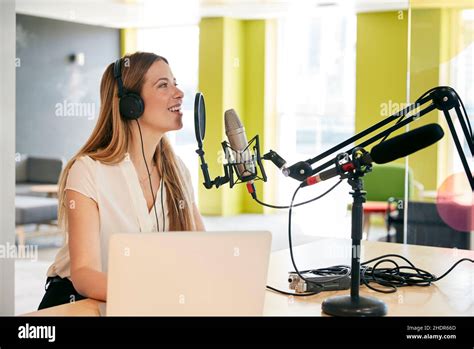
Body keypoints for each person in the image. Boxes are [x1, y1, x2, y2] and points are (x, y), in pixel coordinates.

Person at [38, 52, 205, 310]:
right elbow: (84, 274)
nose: (179, 93)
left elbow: (203, 250)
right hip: (78, 303)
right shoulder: (88, 170)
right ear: (131, 103)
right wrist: (153, 295)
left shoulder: (178, 171)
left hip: (141, 304)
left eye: (175, 82)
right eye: (163, 85)